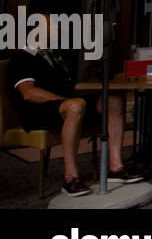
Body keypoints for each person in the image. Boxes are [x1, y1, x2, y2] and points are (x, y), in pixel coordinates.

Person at [5, 11, 143, 196]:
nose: (57, 29)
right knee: (76, 105)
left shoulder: (54, 56)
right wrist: (68, 101)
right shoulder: (21, 58)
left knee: (113, 99)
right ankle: (70, 177)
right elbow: (29, 93)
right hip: (39, 112)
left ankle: (116, 167)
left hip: (68, 106)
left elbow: (70, 86)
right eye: (52, 26)